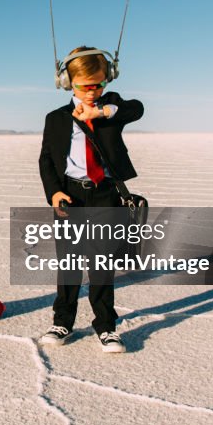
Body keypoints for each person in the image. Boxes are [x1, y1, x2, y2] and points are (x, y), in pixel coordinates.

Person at [37, 46, 144, 352]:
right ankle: (63, 321)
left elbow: (136, 109)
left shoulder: (111, 108)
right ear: (67, 82)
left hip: (105, 194)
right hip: (70, 195)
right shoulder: (55, 118)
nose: (92, 91)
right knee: (68, 261)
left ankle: (106, 327)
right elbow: (46, 159)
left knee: (101, 262)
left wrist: (101, 112)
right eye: (85, 86)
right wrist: (54, 192)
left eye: (99, 84)